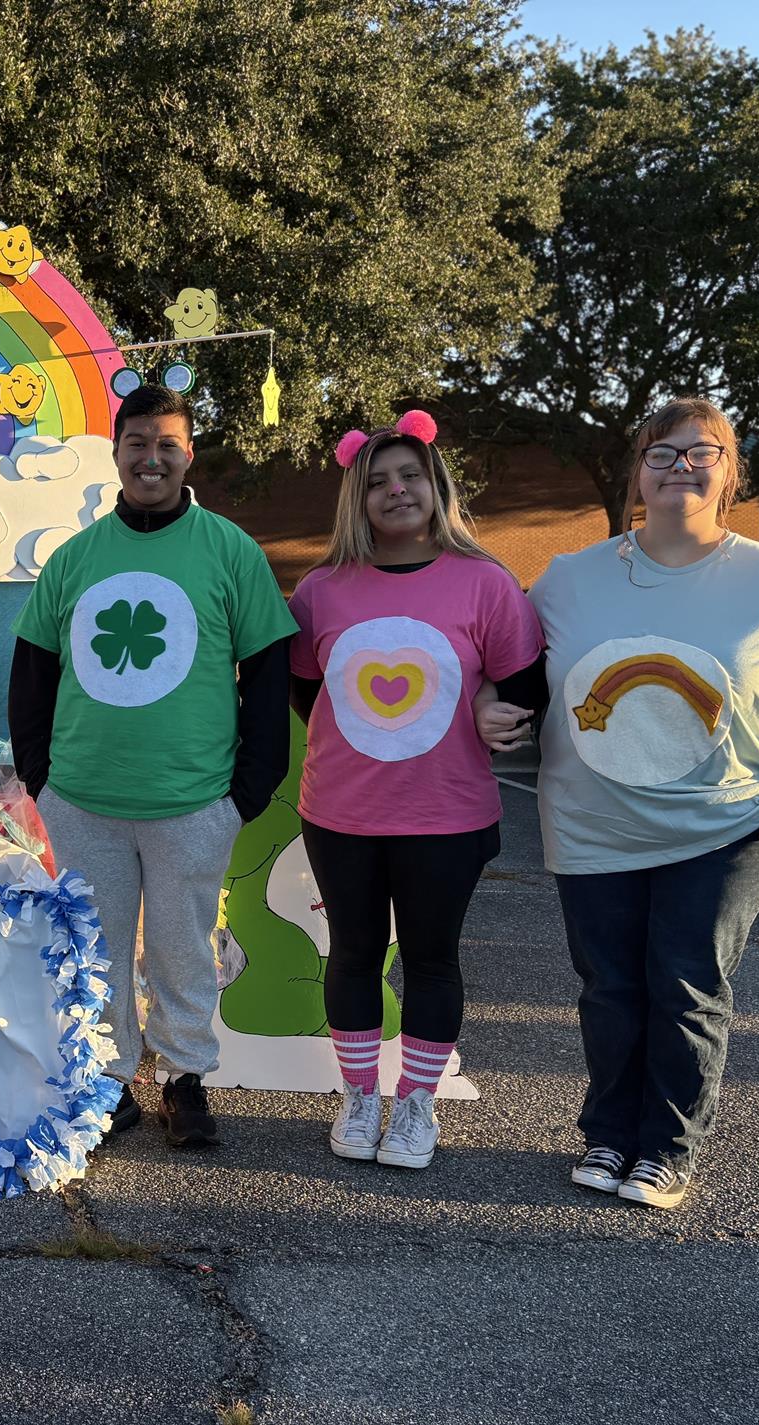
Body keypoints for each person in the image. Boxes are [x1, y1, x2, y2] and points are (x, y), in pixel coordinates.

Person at [522, 397, 759, 1210]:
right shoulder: (569, 578)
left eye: (703, 452)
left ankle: (666, 1147)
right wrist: (492, 703)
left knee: (686, 980)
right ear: (638, 475)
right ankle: (609, 1134)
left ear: (731, 472)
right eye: (662, 454)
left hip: (731, 820)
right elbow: (505, 664)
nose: (680, 467)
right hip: (593, 821)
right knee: (610, 984)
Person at [9, 383, 296, 1147]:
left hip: (194, 798)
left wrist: (249, 787)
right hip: (84, 797)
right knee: (98, 947)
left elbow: (269, 670)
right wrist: (40, 778)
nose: (152, 458)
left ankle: (185, 1079)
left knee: (182, 944)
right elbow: (32, 673)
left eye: (167, 443)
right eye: (138, 442)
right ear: (117, 452)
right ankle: (111, 1081)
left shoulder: (229, 549)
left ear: (189, 453)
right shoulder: (75, 559)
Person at [288, 411, 543, 1169]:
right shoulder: (320, 591)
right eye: (378, 483)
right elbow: (309, 693)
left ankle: (417, 1105)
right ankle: (361, 1096)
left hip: (448, 813)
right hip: (342, 811)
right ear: (356, 501)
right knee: (355, 954)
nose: (396, 491)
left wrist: (486, 707)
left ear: (436, 485)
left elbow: (524, 690)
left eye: (409, 476)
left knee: (432, 958)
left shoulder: (487, 583)